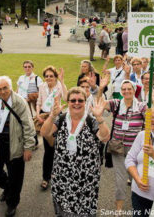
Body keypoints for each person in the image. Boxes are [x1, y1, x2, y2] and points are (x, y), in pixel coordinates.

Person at [41, 88, 110, 216]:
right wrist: (52, 115)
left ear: (85, 102)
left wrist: (100, 117)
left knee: (84, 209)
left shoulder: (91, 121)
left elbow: (105, 137)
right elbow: (45, 133)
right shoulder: (61, 119)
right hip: (62, 176)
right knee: (64, 208)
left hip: (86, 178)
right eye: (73, 100)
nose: (76, 103)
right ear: (68, 102)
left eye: (80, 100)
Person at [0, 76, 35, 217]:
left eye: (5, 88)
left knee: (16, 177)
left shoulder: (19, 102)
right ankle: (8, 188)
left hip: (16, 146)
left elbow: (28, 127)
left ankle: (12, 204)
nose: (2, 91)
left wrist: (28, 147)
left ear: (10, 87)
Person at [99, 79, 146, 211]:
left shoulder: (141, 106)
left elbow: (151, 118)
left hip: (135, 150)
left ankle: (140, 204)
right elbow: (99, 104)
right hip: (117, 148)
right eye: (123, 89)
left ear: (134, 90)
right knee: (120, 180)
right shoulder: (117, 104)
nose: (126, 91)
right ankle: (118, 209)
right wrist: (101, 89)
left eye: (129, 89)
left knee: (137, 178)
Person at [36, 66, 67, 190]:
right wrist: (37, 114)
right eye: (46, 76)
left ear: (55, 77)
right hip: (45, 117)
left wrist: (63, 81)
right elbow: (39, 101)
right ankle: (46, 177)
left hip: (57, 117)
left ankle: (59, 174)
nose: (49, 78)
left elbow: (65, 98)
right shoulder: (42, 87)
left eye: (51, 76)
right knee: (48, 149)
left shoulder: (59, 86)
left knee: (58, 147)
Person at [17, 60, 43, 148]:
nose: (27, 68)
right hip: (21, 103)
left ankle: (35, 142)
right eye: (25, 67)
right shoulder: (21, 78)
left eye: (29, 66)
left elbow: (41, 92)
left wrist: (30, 97)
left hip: (31, 104)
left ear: (32, 67)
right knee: (23, 123)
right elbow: (17, 90)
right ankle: (25, 142)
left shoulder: (37, 78)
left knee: (31, 123)